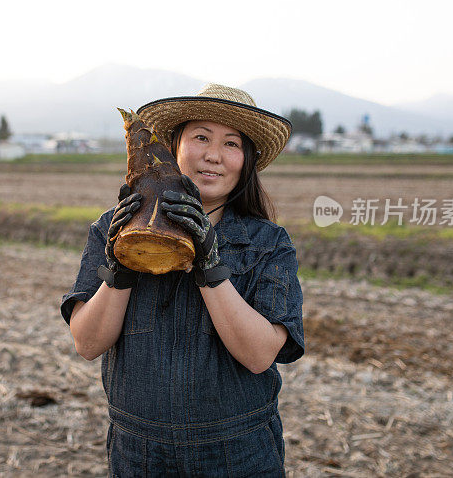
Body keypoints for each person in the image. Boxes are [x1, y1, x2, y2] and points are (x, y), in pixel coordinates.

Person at [60, 84, 304, 477]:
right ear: (175, 146)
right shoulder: (115, 227)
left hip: (237, 454)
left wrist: (211, 266)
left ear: (247, 160)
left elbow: (260, 356)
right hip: (139, 454)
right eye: (201, 137)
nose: (213, 155)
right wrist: (122, 266)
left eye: (231, 143)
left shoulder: (268, 243)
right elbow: (87, 343)